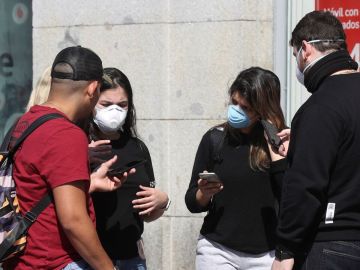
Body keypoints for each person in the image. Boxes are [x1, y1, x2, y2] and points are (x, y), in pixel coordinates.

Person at [3, 46, 128, 270]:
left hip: (22, 261)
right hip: (57, 262)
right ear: (93, 88)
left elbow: (36, 188)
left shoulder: (25, 123)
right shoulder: (65, 134)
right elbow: (73, 220)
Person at [272, 11, 360, 270]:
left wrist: (284, 250)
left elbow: (305, 185)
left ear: (305, 49)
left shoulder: (320, 107)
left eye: (294, 55)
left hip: (333, 245)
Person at [185, 67, 287, 270]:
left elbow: (290, 198)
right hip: (217, 250)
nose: (237, 110)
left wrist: (277, 153)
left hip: (266, 255)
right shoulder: (215, 138)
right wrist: (203, 194)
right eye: (234, 103)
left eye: (246, 107)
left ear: (262, 110)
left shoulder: (281, 142)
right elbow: (192, 202)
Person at [89, 67, 170, 270]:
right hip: (89, 260)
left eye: (122, 105)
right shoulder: (81, 144)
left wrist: (162, 202)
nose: (114, 111)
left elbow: (146, 212)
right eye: (106, 104)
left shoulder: (137, 148)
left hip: (131, 259)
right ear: (91, 103)